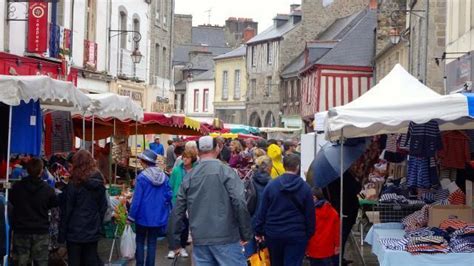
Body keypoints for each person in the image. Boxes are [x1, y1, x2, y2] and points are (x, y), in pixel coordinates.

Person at [170, 136, 252, 265]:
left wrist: (174, 241)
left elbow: (177, 209)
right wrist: (245, 233)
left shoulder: (190, 176)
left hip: (200, 238)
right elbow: (239, 201)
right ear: (217, 149)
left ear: (197, 151)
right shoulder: (227, 172)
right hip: (226, 237)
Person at [255, 154, 315, 266]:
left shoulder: (271, 185)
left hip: (274, 232)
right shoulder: (305, 187)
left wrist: (259, 231)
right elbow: (310, 214)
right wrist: (308, 233)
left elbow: (262, 210)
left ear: (283, 165)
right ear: (298, 167)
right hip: (296, 233)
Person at [59, 150, 107, 266]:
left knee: (74, 262)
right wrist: (97, 222)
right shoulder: (99, 182)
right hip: (92, 228)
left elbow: (67, 210)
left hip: (74, 230)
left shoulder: (73, 183)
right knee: (90, 260)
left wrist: (62, 234)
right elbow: (103, 206)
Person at [128, 149, 172, 266]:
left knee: (140, 241)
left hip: (142, 216)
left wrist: (131, 216)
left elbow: (136, 200)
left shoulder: (142, 177)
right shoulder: (165, 177)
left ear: (144, 162)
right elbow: (169, 196)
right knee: (152, 243)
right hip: (157, 216)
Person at [10, 158, 58, 266]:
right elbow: (54, 203)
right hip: (40, 230)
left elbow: (12, 201)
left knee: (21, 261)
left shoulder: (17, 187)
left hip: (21, 229)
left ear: (27, 170)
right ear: (41, 171)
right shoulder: (48, 190)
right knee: (41, 262)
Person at [323, 169, 361, 265]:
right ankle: (337, 260)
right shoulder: (344, 174)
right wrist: (358, 179)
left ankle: (338, 259)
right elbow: (356, 188)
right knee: (341, 237)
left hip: (335, 209)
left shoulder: (326, 176)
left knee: (338, 237)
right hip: (346, 210)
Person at [167, 149, 198, 259]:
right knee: (175, 224)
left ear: (192, 158)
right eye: (184, 157)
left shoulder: (196, 170)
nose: (184, 159)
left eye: (187, 157)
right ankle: (173, 247)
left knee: (186, 225)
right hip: (177, 199)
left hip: (191, 200)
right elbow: (170, 185)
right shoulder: (176, 170)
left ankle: (183, 246)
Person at [244, 155, 272, 258]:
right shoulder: (273, 184)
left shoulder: (249, 181)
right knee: (266, 255)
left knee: (251, 256)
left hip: (251, 221)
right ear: (269, 168)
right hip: (267, 223)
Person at [307, 188, 340, 266]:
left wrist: (306, 248)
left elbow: (307, 231)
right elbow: (337, 231)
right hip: (328, 249)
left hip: (313, 248)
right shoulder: (333, 212)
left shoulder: (309, 212)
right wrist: (337, 245)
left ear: (314, 197)